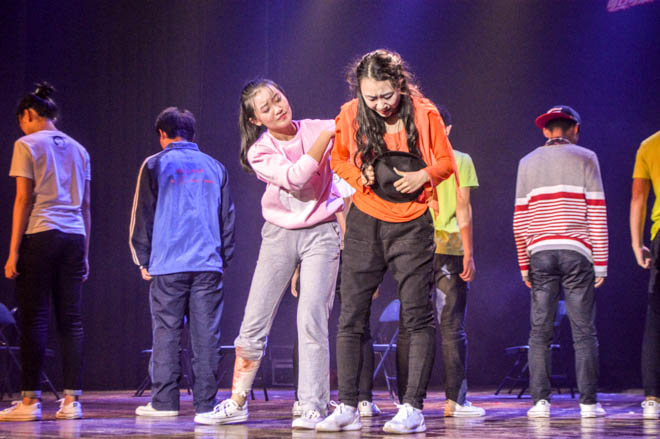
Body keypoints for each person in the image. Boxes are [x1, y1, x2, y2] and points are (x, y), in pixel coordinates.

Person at [317, 49, 456, 434]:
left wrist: (423, 175)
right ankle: (348, 405)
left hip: (412, 225)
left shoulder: (425, 113)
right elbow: (338, 160)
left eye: (386, 95)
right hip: (365, 221)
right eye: (371, 97)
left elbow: (446, 163)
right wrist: (359, 176)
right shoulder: (349, 114)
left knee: (416, 315)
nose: (379, 104)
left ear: (400, 84)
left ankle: (412, 408)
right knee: (351, 314)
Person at [194, 80, 342, 430]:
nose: (277, 108)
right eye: (266, 108)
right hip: (279, 235)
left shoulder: (316, 127)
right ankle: (236, 401)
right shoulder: (260, 151)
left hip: (322, 232)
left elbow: (352, 140)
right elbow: (297, 177)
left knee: (312, 319)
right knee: (255, 318)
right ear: (256, 120)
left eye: (277, 98)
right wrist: (329, 135)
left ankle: (312, 405)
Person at [129, 107, 235, 419]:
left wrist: (142, 259)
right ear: (192, 134)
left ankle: (164, 403)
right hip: (208, 264)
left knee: (166, 332)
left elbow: (142, 214)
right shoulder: (215, 166)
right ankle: (206, 405)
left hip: (168, 264)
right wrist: (223, 259)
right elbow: (228, 217)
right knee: (207, 336)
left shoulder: (154, 164)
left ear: (163, 134)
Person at [0, 83, 91, 421]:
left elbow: (24, 199)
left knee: (35, 318)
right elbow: (86, 206)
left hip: (41, 233)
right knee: (71, 320)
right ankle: (71, 402)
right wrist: (85, 253)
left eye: (21, 121)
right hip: (74, 237)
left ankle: (30, 402)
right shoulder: (80, 149)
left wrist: (13, 252)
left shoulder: (26, 144)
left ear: (28, 114)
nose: (21, 128)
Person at [513, 106, 608, 418]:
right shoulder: (587, 157)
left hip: (539, 252)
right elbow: (596, 211)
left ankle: (540, 403)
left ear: (545, 130)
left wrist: (524, 263)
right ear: (575, 129)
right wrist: (601, 263)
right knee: (583, 332)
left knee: (539, 332)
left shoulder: (526, 162)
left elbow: (520, 219)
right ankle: (589, 404)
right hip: (577, 251)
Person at [291, 175, 382, 419]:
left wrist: (298, 266)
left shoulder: (315, 172)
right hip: (341, 254)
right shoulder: (350, 173)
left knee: (313, 324)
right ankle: (362, 399)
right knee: (355, 326)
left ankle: (304, 399)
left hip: (322, 254)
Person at [424, 105, 485, 417]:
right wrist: (469, 252)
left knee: (416, 326)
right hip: (450, 246)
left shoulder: (415, 161)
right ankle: (455, 401)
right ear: (448, 129)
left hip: (419, 248)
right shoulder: (461, 159)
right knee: (452, 327)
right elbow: (464, 207)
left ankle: (410, 402)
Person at [629, 130, 660, 420]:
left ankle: (652, 398)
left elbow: (638, 197)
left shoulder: (650, 145)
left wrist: (637, 244)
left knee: (656, 317)